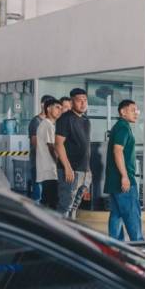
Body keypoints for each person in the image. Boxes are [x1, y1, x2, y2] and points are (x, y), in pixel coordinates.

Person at [104, 99, 143, 241]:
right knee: (132, 214)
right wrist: (125, 176)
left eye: (136, 110)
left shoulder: (120, 126)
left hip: (114, 180)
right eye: (133, 110)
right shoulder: (123, 127)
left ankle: (114, 246)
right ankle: (140, 247)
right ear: (123, 112)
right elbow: (117, 151)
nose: (136, 113)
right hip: (123, 180)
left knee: (116, 214)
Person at [55, 88, 91, 219]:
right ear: (71, 102)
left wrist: (88, 170)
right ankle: (58, 236)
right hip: (70, 171)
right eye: (79, 100)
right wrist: (67, 168)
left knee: (75, 206)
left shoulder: (86, 121)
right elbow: (58, 144)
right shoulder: (65, 119)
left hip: (84, 171)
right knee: (65, 206)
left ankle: (71, 233)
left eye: (85, 100)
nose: (83, 103)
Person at [36, 98, 63, 209]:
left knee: (47, 200)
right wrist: (59, 162)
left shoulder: (48, 125)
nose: (60, 110)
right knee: (51, 203)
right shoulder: (47, 125)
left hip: (47, 170)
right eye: (57, 107)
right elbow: (51, 146)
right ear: (48, 108)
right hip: (49, 170)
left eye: (61, 108)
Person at [29, 94, 54, 202]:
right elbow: (35, 143)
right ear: (42, 105)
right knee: (38, 193)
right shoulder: (36, 122)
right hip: (38, 164)